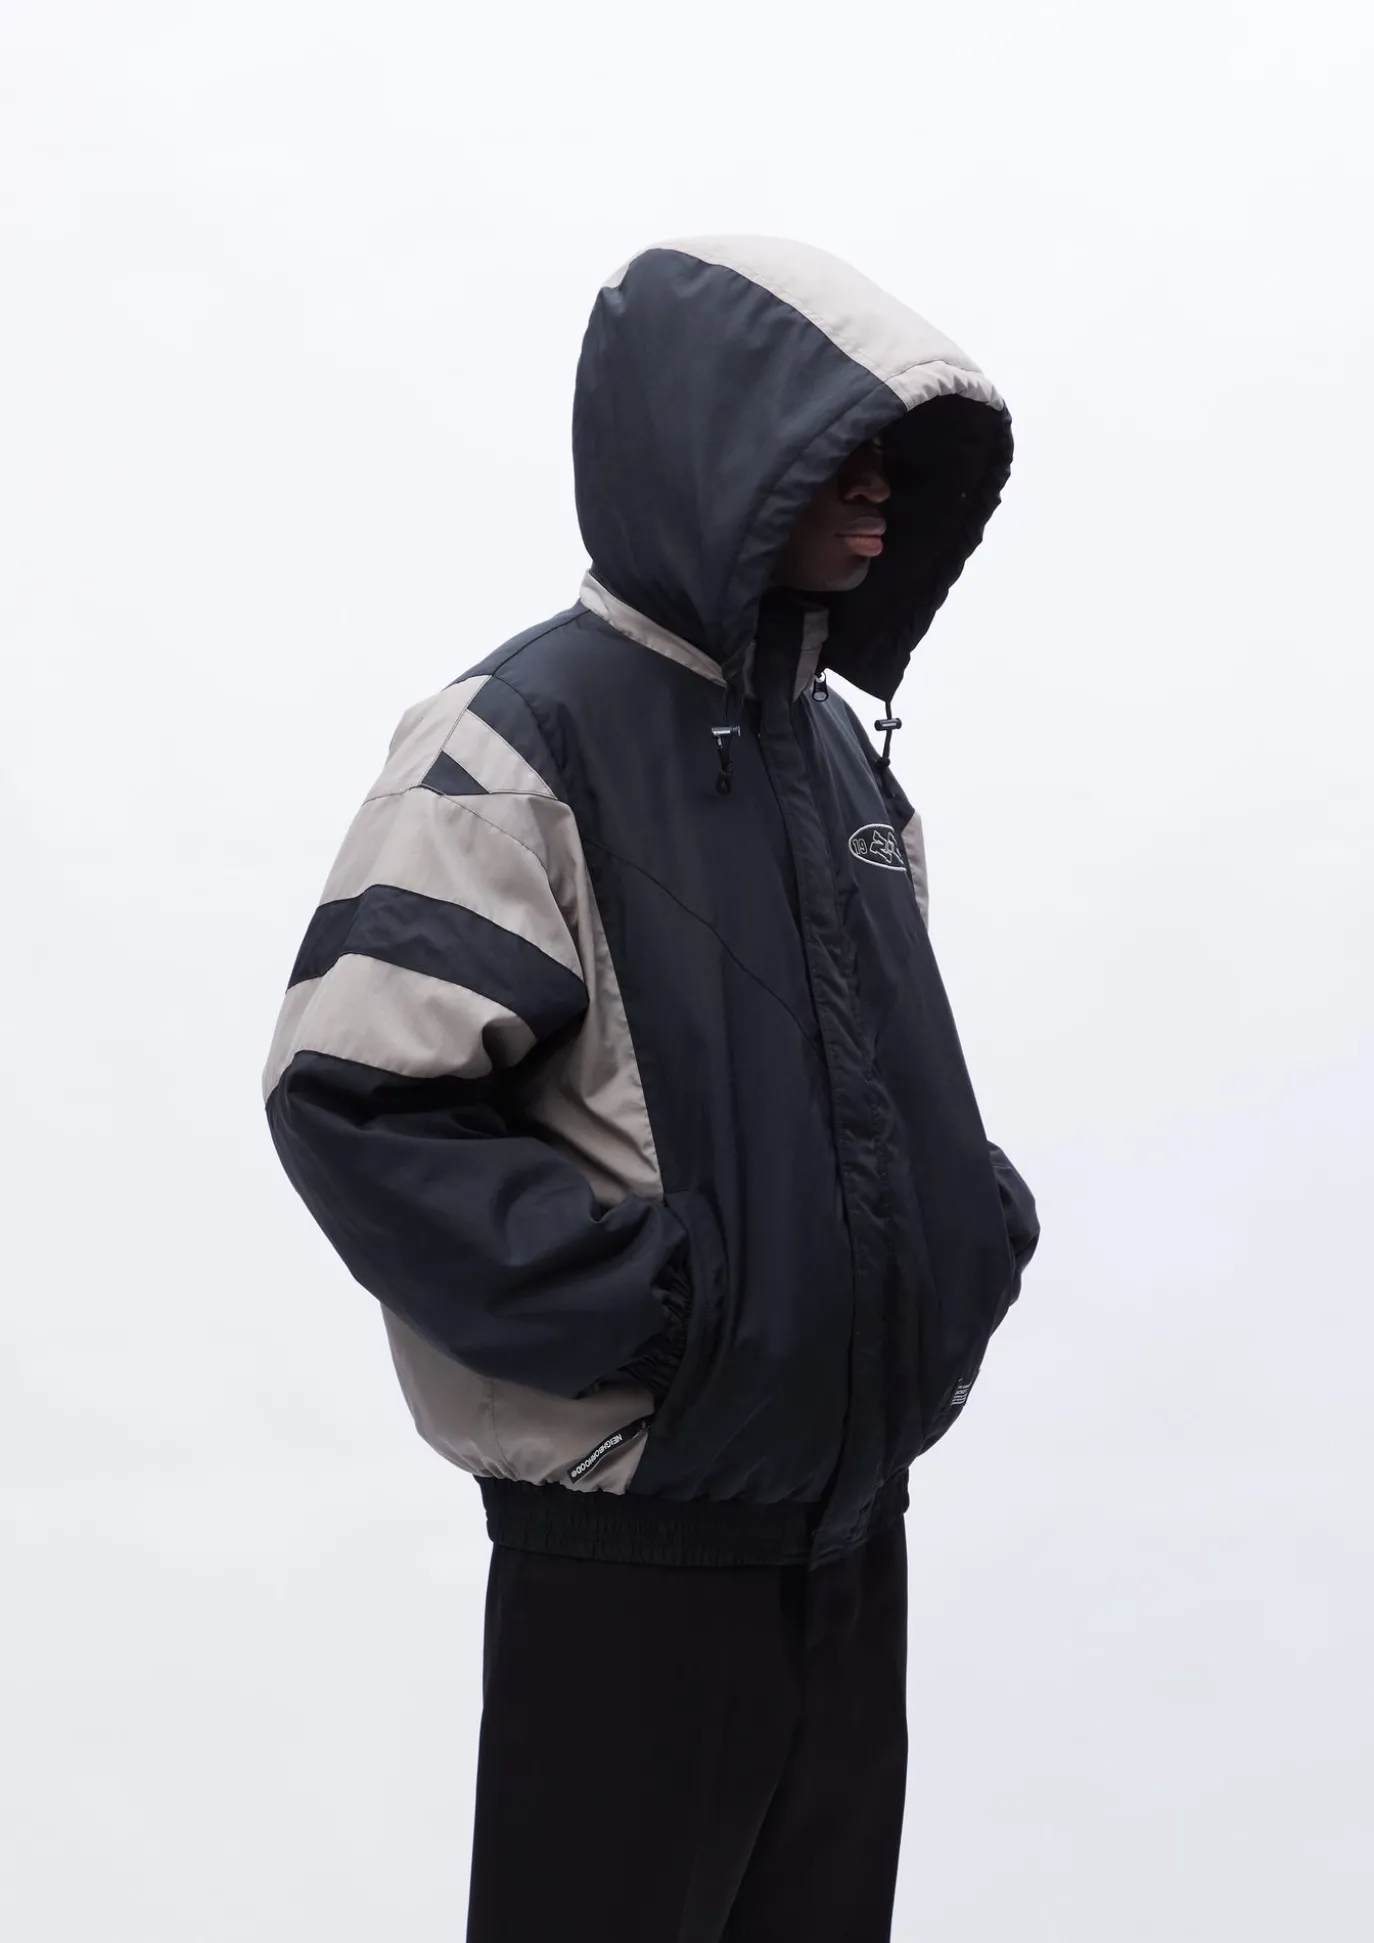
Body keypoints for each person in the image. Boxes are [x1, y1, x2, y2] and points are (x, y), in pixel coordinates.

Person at [263, 235, 1040, 1943]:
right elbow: (354, 1095)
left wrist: (960, 1241)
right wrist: (675, 1317)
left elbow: (874, 1078)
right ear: (709, 457)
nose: (875, 495)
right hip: (633, 1547)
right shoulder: (515, 740)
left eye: (890, 461)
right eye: (832, 455)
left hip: (849, 1528)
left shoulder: (829, 750)